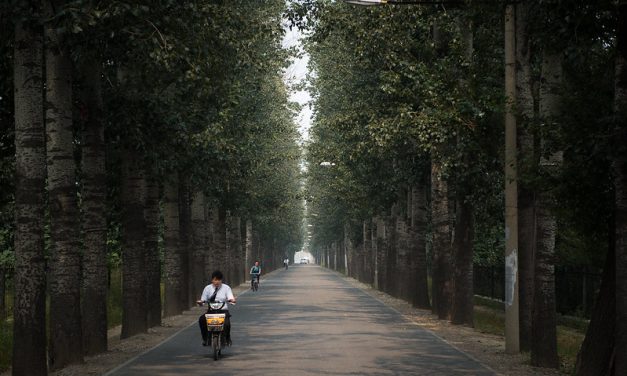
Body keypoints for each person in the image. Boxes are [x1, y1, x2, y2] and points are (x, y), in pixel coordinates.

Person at [197, 270, 236, 346]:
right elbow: (203, 300)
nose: (217, 282)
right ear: (212, 280)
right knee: (202, 320)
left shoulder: (226, 288)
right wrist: (201, 302)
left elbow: (231, 298)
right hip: (211, 311)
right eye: (215, 280)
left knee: (227, 324)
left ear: (221, 280)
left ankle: (227, 338)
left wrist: (232, 300)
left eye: (219, 280)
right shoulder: (207, 288)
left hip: (223, 311)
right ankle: (205, 338)